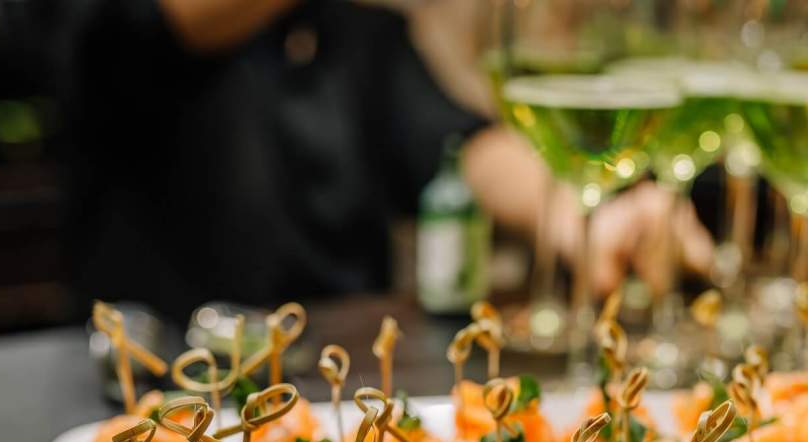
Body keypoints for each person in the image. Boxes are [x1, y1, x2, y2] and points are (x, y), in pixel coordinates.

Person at [62, 0, 712, 320]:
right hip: (154, 377)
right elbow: (160, 25)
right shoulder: (107, 26)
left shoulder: (355, 28)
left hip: (342, 375)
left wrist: (586, 208)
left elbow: (460, 147)